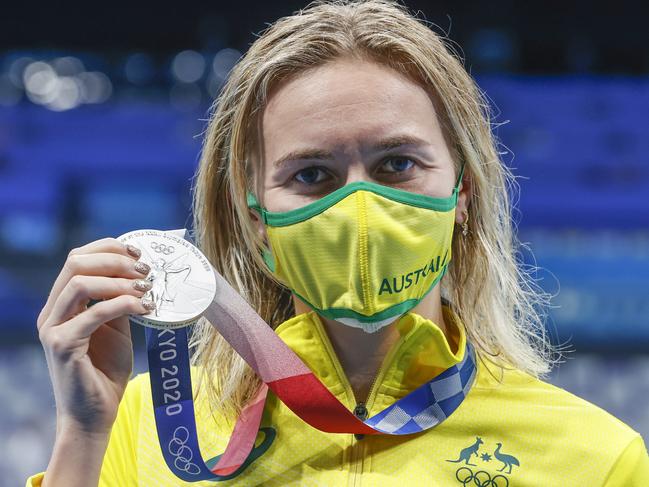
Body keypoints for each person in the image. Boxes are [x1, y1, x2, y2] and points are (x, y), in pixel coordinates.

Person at [29, 1, 649, 485]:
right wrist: (83, 436)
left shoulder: (595, 459)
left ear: (463, 192)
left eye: (397, 165)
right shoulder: (149, 427)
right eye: (312, 175)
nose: (360, 207)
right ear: (254, 218)